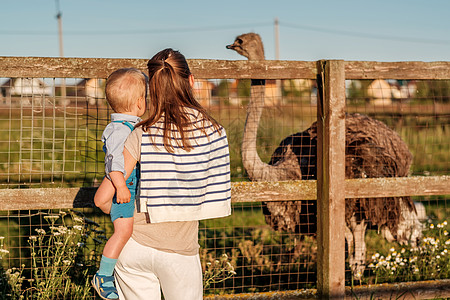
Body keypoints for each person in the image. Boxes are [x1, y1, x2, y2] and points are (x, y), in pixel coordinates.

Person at [94, 48, 231, 300]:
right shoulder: (211, 131)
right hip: (180, 251)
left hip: (133, 246)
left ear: (152, 89)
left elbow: (102, 198)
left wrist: (124, 213)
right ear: (191, 80)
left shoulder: (140, 133)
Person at [92, 68, 147, 300]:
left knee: (106, 205)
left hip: (119, 183)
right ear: (139, 103)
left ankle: (119, 214)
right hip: (124, 183)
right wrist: (122, 187)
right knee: (123, 231)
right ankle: (104, 275)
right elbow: (114, 162)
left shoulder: (122, 125)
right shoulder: (122, 130)